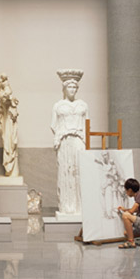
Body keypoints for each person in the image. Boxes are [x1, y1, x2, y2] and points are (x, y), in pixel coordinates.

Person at [51, 69, 89, 219]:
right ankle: (66, 207)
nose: (72, 90)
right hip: (64, 141)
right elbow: (54, 125)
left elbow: (87, 125)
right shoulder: (58, 105)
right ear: (64, 88)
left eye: (74, 87)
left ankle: (79, 207)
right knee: (65, 172)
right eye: (69, 87)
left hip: (79, 141)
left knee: (78, 171)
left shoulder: (83, 105)